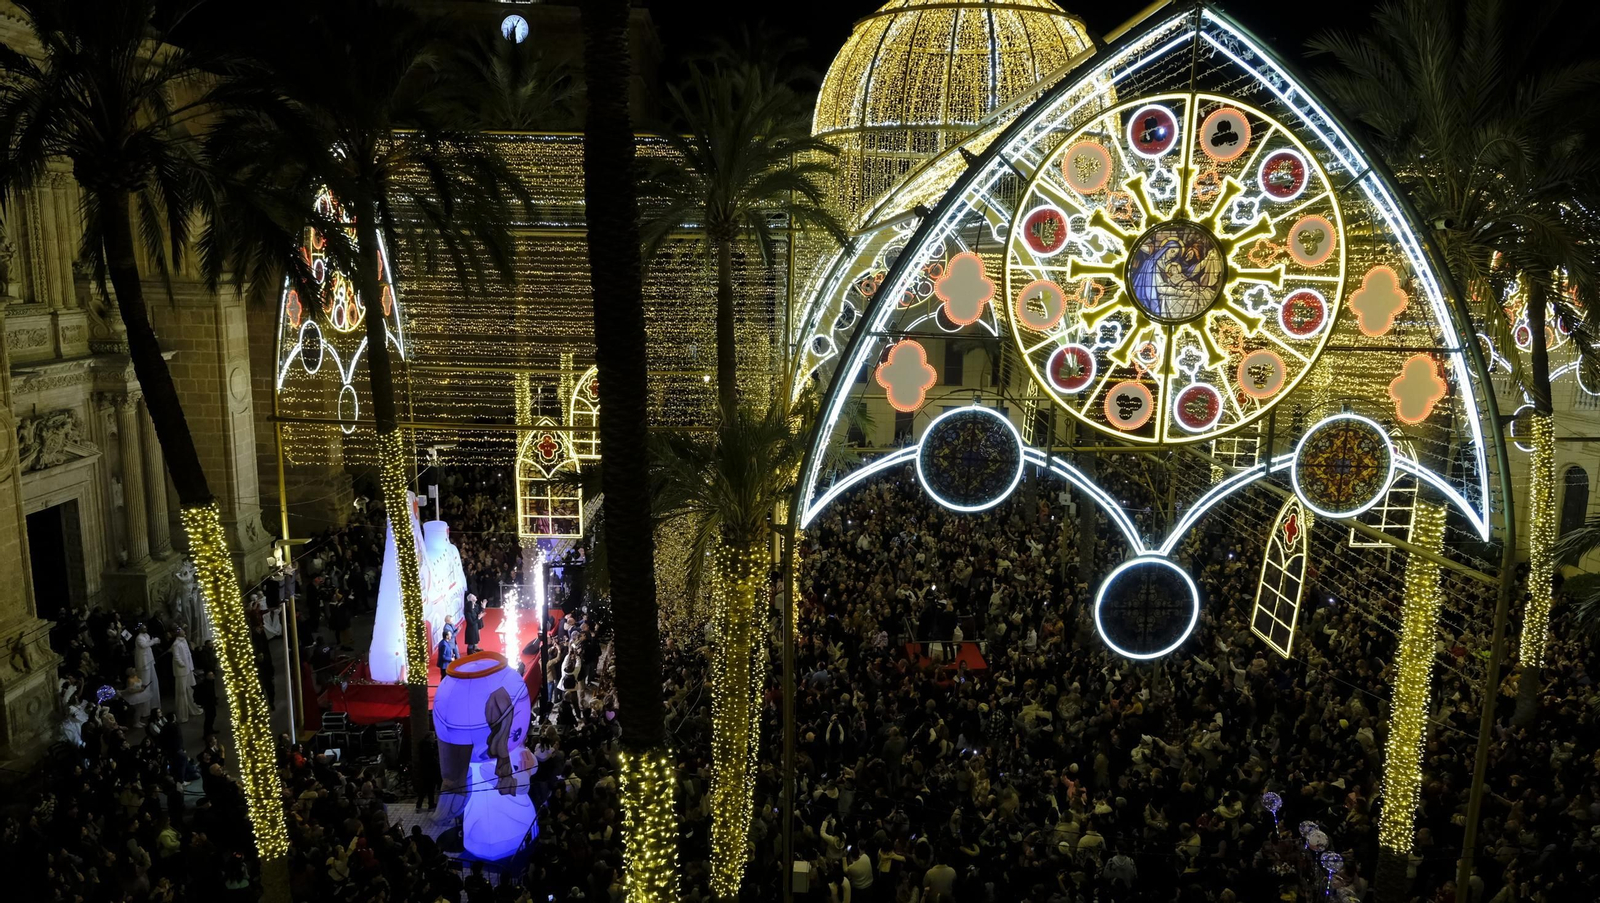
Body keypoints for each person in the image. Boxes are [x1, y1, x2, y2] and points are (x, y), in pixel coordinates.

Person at [170, 627, 197, 723]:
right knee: (182, 692)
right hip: (181, 671)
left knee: (189, 689)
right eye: (182, 631)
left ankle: (191, 708)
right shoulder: (176, 644)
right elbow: (177, 657)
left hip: (188, 669)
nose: (184, 632)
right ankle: (182, 714)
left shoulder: (184, 641)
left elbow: (188, 654)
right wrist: (183, 664)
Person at [133, 623, 161, 704]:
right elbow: (144, 645)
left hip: (150, 661)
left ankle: (153, 703)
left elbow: (149, 642)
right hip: (143, 663)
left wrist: (154, 641)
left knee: (152, 681)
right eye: (143, 628)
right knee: (145, 683)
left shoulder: (147, 635)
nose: (145, 629)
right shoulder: (139, 638)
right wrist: (153, 641)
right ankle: (145, 708)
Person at [195, 668, 219, 735]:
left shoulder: (211, 682)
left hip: (211, 703)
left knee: (212, 716)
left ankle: (210, 730)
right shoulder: (205, 685)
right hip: (208, 704)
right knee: (209, 718)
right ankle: (206, 733)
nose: (213, 676)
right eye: (211, 675)